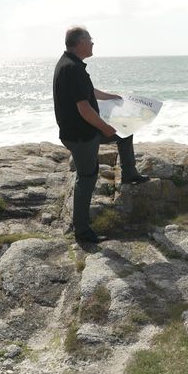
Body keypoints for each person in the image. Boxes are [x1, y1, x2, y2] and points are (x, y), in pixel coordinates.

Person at [53, 26, 149, 243]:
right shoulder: (73, 68)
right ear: (80, 43)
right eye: (90, 39)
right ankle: (83, 232)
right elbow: (84, 108)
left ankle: (129, 173)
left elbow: (89, 91)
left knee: (125, 131)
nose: (93, 43)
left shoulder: (70, 64)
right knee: (87, 178)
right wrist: (105, 128)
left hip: (81, 130)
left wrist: (110, 96)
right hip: (81, 135)